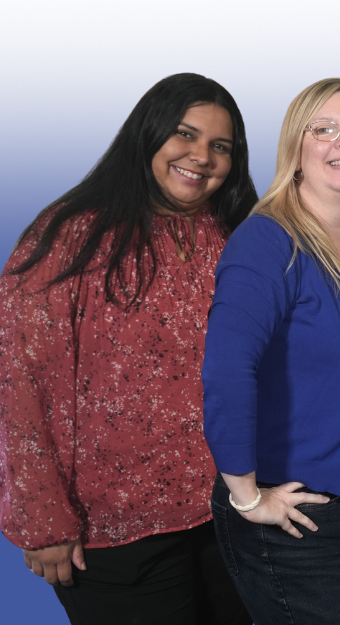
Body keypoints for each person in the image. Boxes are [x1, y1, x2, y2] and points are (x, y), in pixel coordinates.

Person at [0, 73, 256, 624]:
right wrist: (43, 519)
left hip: (230, 515)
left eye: (221, 145)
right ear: (147, 134)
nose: (202, 156)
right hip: (113, 531)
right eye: (185, 134)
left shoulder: (238, 237)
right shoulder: (70, 237)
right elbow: (19, 383)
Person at [201, 78, 340, 625]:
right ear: (295, 148)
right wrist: (247, 496)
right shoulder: (268, 242)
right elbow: (226, 370)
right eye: (324, 129)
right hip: (295, 514)